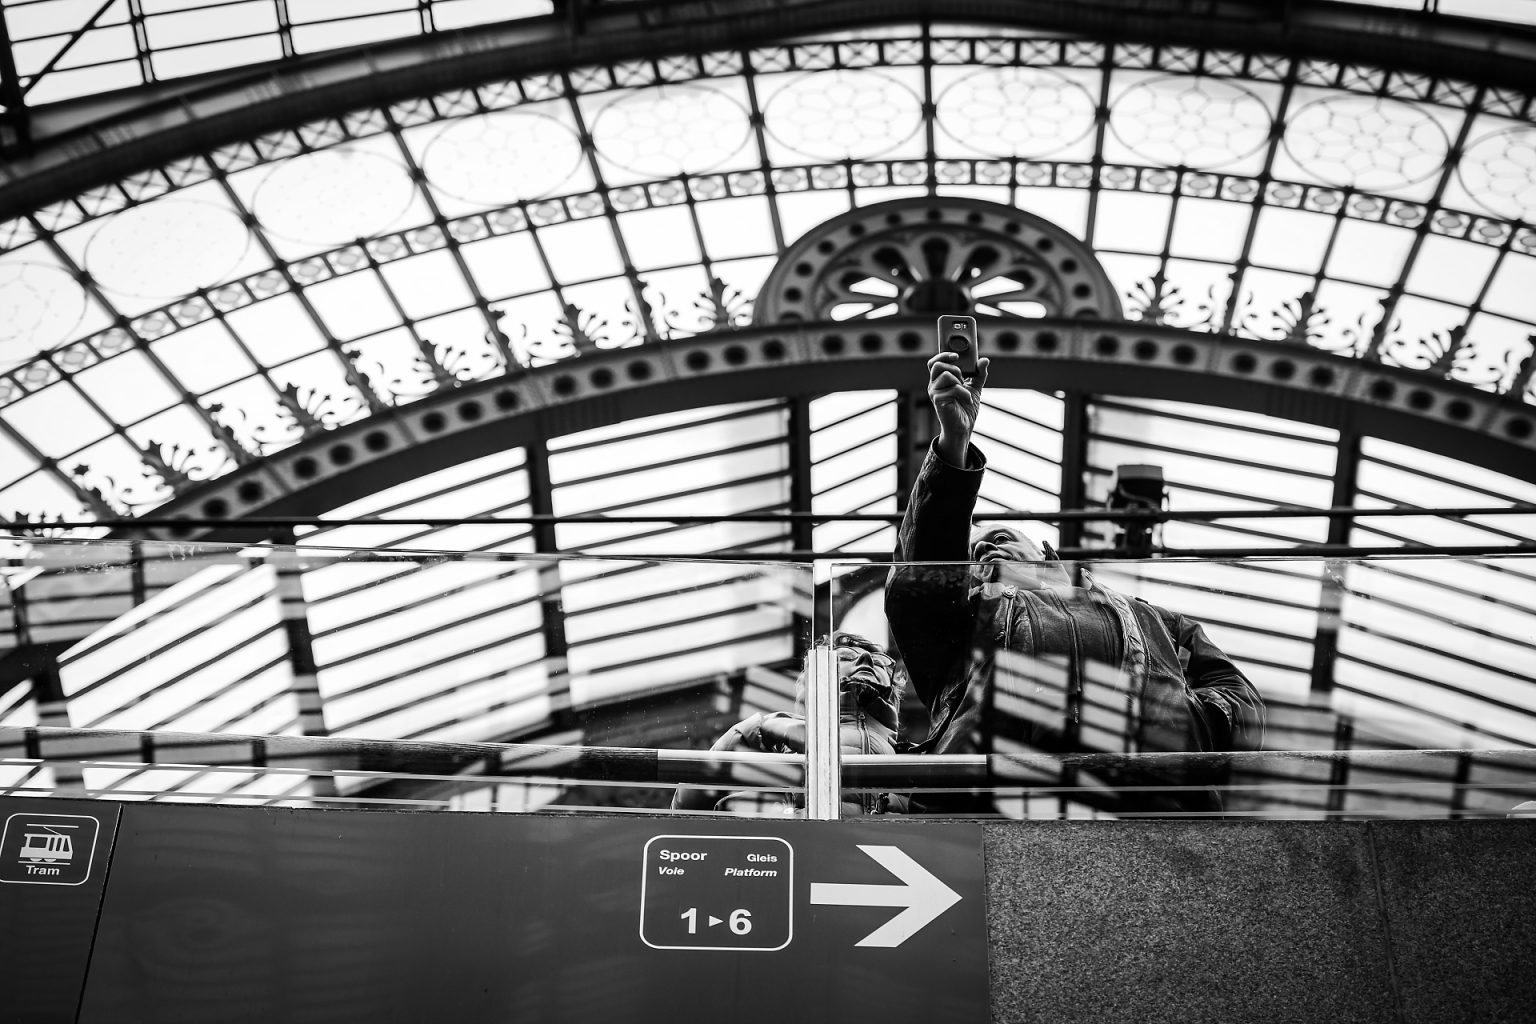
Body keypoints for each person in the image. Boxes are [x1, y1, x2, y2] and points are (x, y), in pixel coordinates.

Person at [884, 350, 1265, 814]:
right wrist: (954, 443)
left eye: (998, 537)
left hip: (1152, 807)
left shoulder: (1156, 620)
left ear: (1050, 556)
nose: (981, 551)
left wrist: (1181, 720)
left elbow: (1240, 699)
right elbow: (918, 580)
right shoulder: (960, 623)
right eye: (970, 555)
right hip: (991, 807)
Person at [671, 632, 903, 815]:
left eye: (879, 662)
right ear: (810, 679)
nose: (866, 660)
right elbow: (686, 808)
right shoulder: (772, 739)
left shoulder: (913, 760)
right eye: (844, 656)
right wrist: (754, 731)